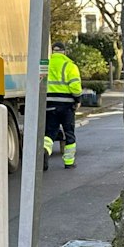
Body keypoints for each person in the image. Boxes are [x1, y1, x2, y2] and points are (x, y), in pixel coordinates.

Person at [43, 39, 82, 168]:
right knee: (69, 133)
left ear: (52, 52)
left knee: (49, 133)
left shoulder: (45, 65)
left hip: (49, 105)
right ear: (64, 52)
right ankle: (69, 162)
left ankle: (44, 153)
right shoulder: (69, 65)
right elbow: (75, 87)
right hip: (67, 106)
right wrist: (78, 100)